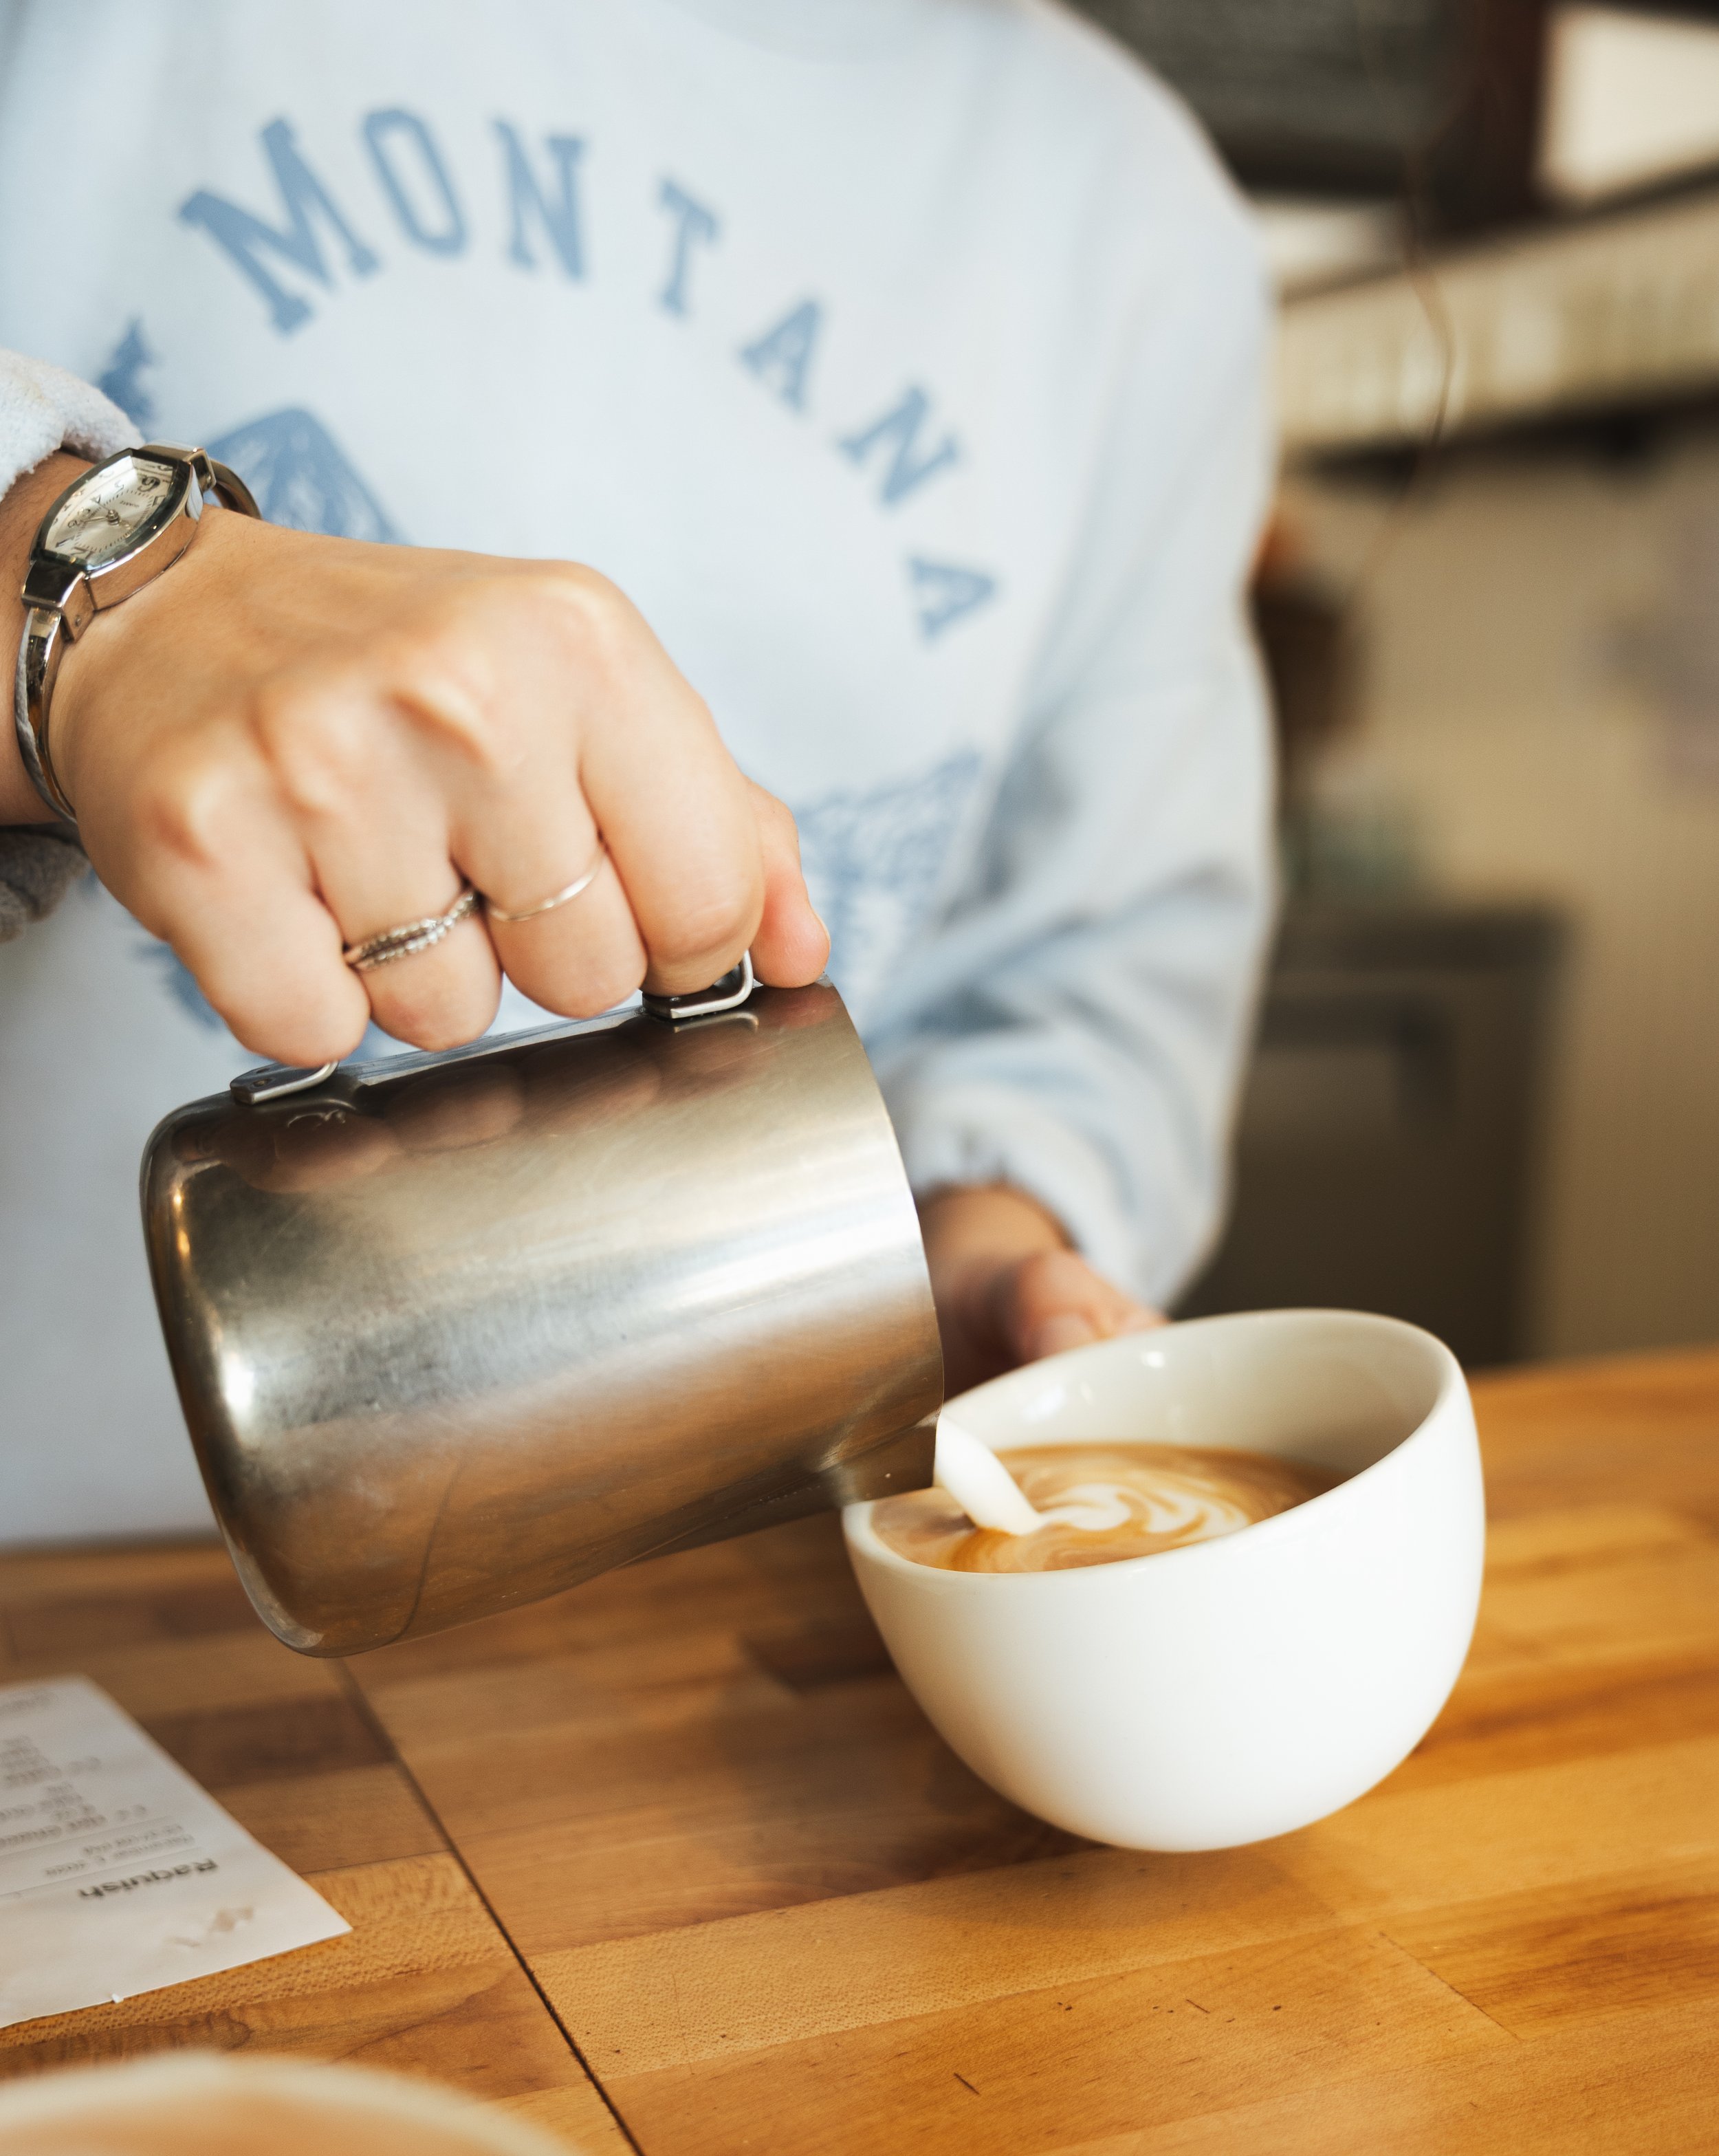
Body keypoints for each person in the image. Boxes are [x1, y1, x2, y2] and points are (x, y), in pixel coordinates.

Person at [0, 0, 1273, 1545]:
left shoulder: (1135, 217)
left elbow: (1100, 961)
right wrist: (106, 603)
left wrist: (973, 1236)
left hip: (689, 1605)